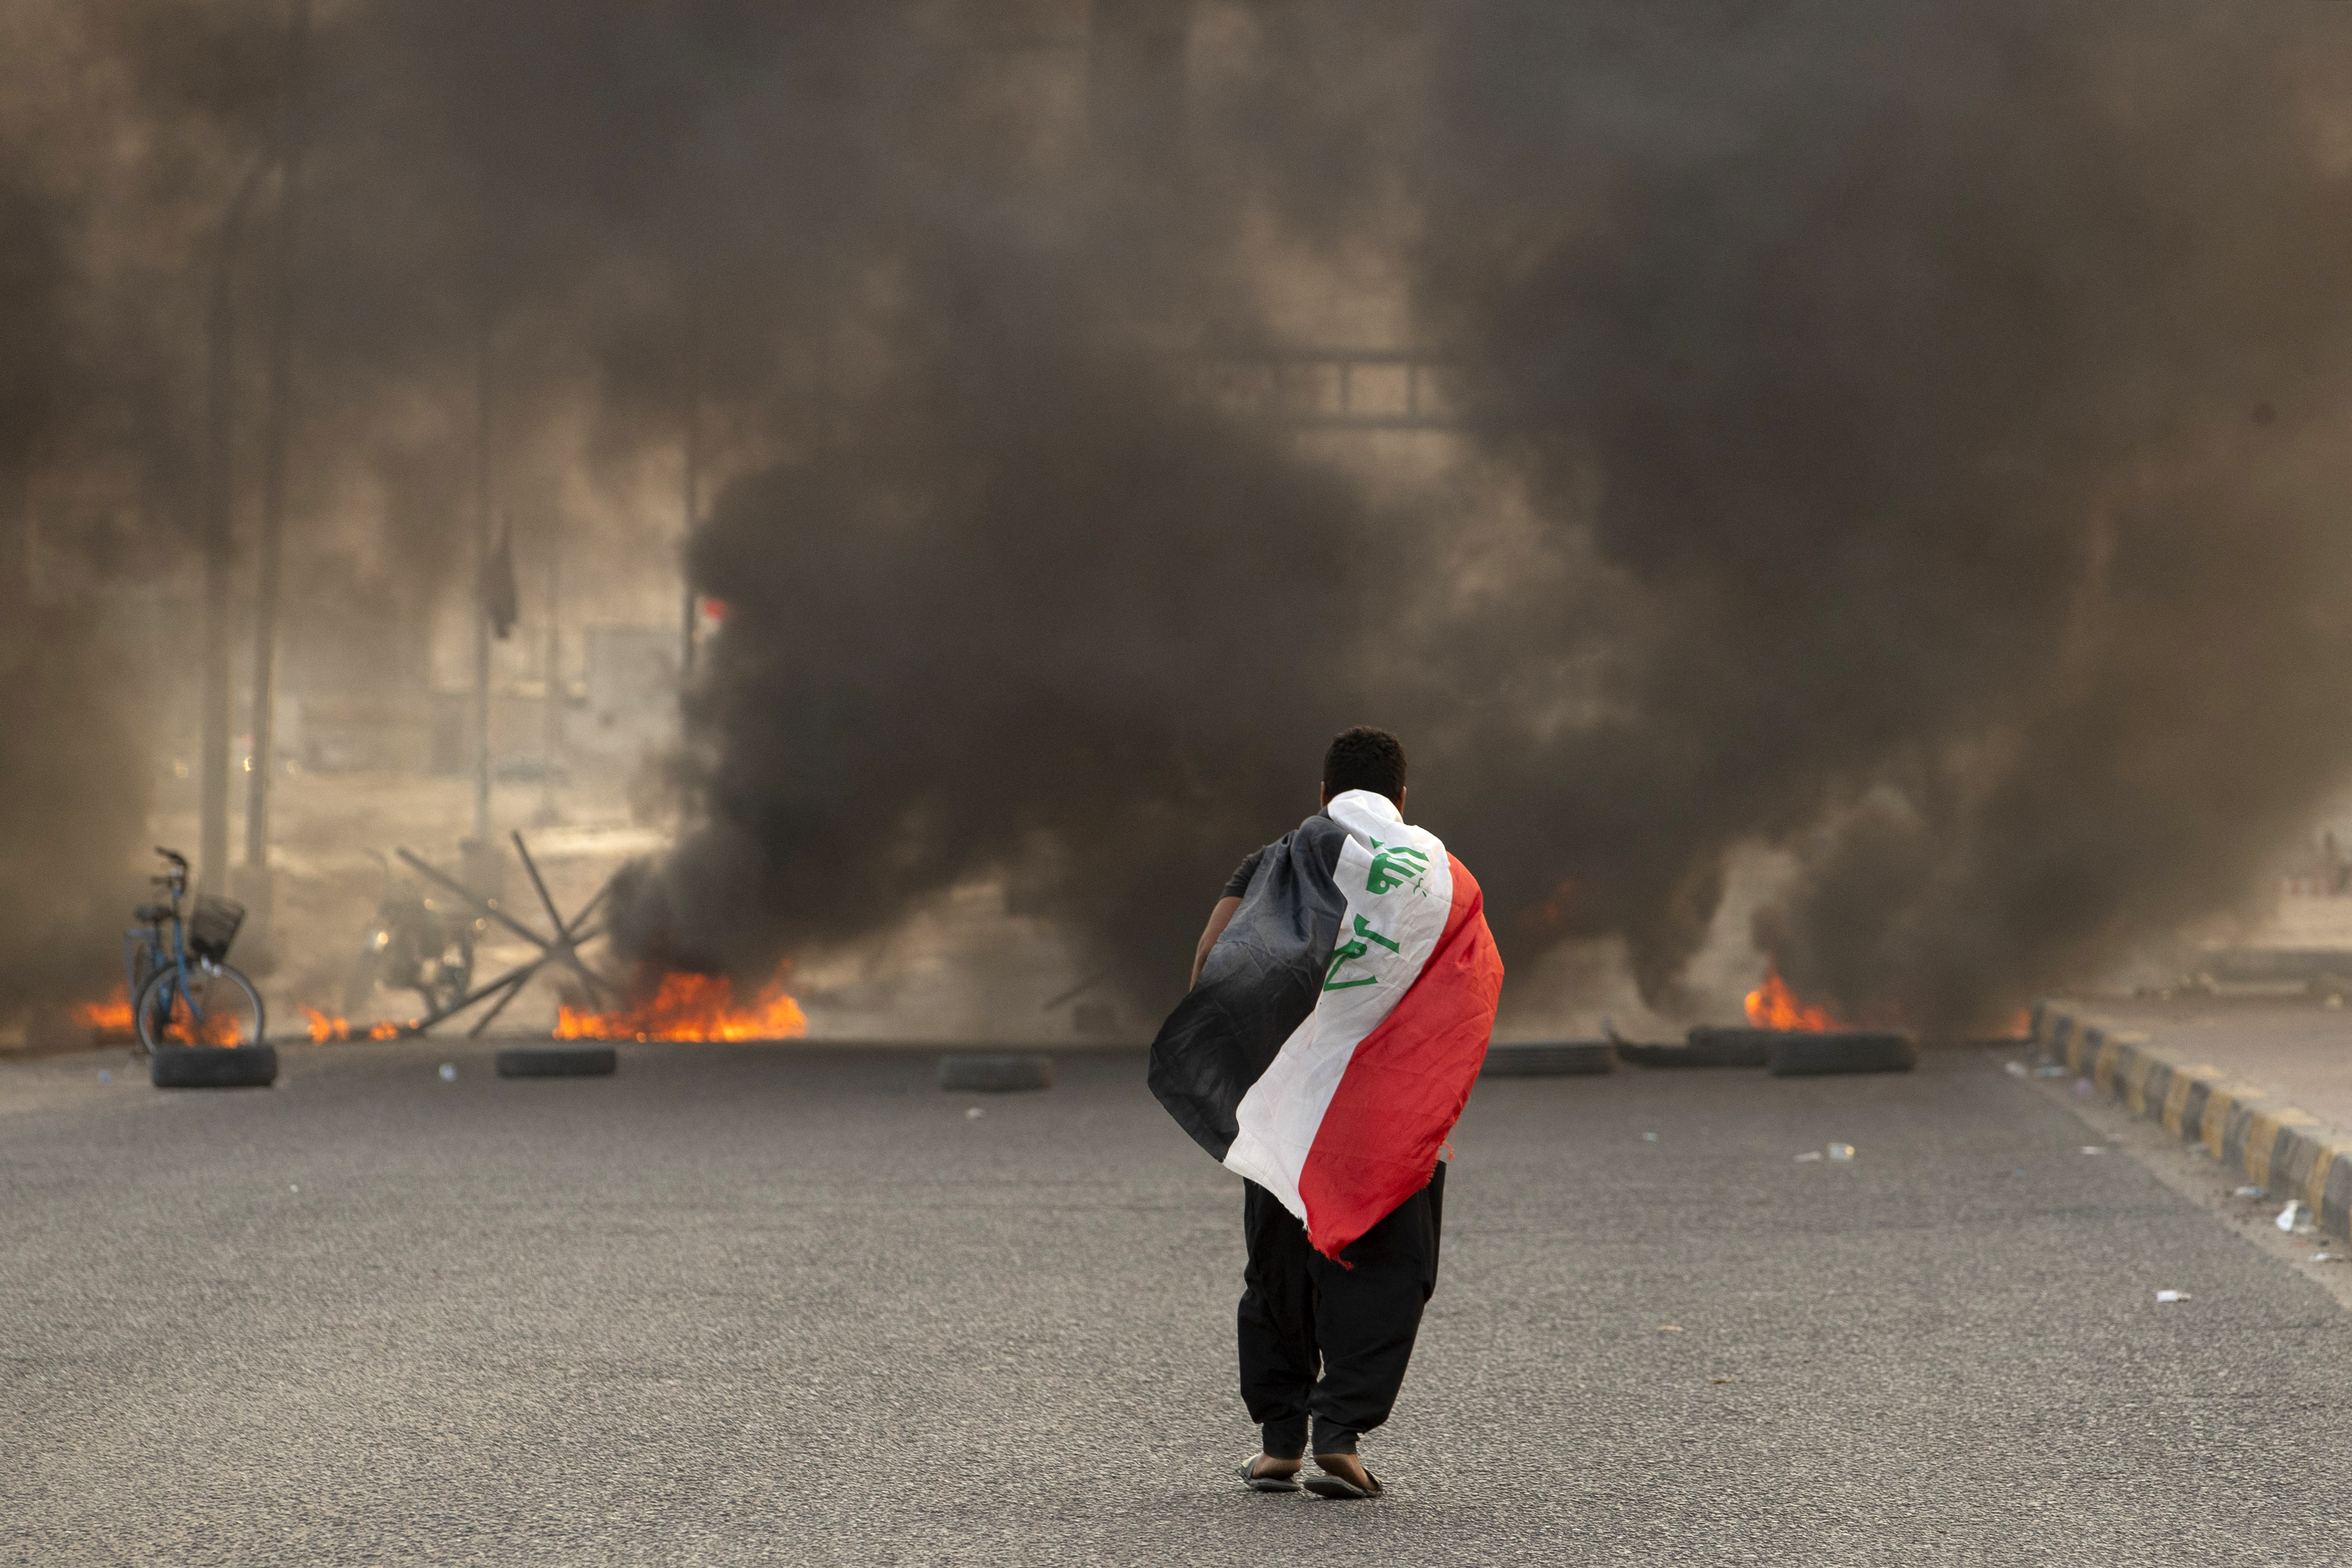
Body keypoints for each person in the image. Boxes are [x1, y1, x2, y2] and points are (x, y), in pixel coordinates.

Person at [1148, 726, 1504, 1501]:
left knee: (1279, 1261)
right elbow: (1470, 986)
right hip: (1383, 1106)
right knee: (1389, 1262)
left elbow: (1215, 960)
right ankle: (1339, 1433)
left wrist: (1243, 1058)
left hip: (1291, 1099)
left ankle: (1280, 1445)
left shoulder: (1279, 856)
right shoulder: (1441, 878)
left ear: (1323, 795)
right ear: (1404, 800)